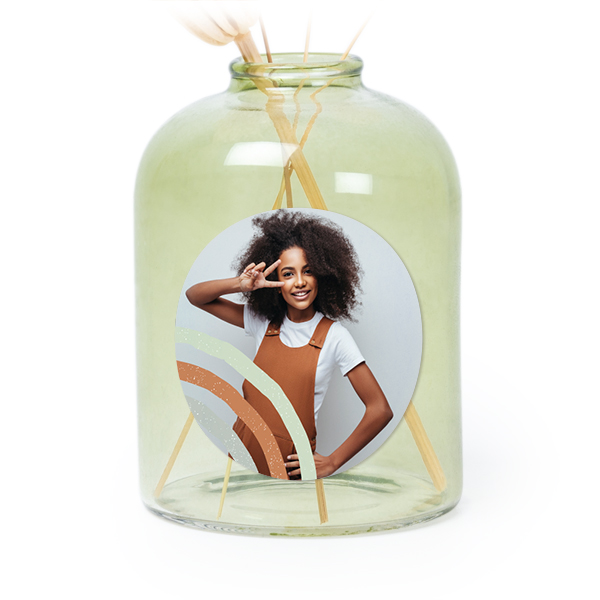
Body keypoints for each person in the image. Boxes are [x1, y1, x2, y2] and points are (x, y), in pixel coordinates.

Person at [186, 211, 393, 479]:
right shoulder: (262, 322)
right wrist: (240, 284)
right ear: (277, 283)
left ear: (322, 275)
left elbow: (380, 409)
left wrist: (333, 462)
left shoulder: (335, 336)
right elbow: (195, 297)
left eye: (308, 271)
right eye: (288, 273)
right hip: (239, 461)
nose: (299, 282)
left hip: (289, 474)